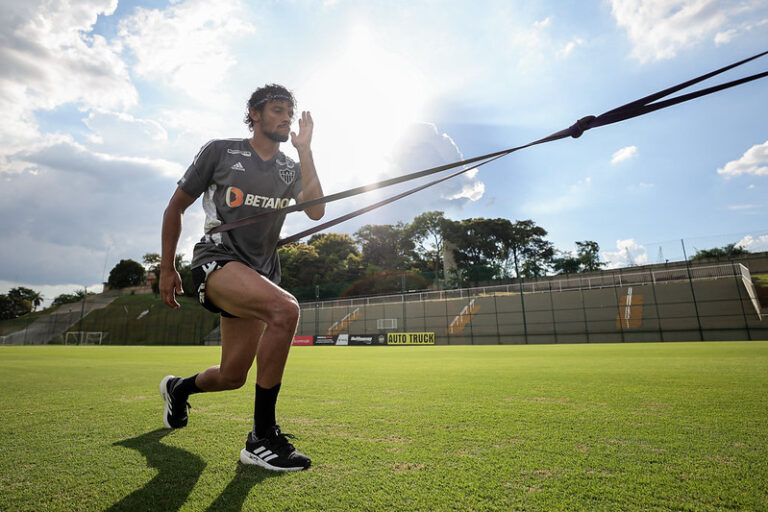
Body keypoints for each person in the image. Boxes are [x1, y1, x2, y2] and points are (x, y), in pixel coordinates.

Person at [158, 84, 324, 471]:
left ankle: (178, 389)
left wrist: (305, 151)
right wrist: (167, 268)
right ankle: (261, 438)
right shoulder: (220, 151)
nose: (286, 118)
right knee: (285, 311)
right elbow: (175, 207)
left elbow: (315, 211)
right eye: (278, 110)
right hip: (215, 262)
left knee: (232, 375)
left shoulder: (289, 167)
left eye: (289, 112)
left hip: (258, 274)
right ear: (254, 113)